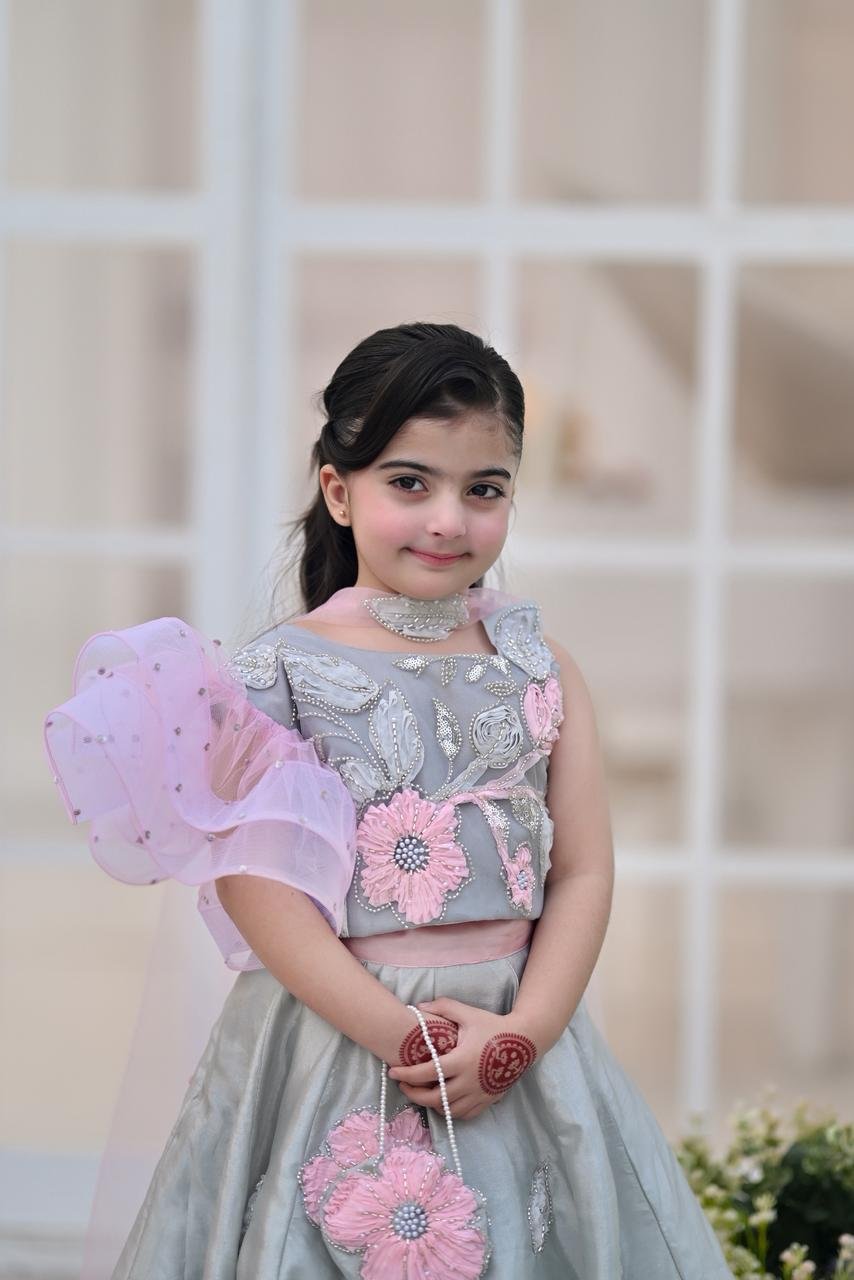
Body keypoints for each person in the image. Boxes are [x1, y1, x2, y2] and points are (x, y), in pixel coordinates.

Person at [44, 321, 732, 1278]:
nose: (449, 520)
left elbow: (582, 869)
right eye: (410, 483)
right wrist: (409, 1038)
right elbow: (261, 896)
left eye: (484, 490)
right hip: (345, 1039)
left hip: (519, 1034)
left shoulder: (542, 666)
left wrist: (525, 1034)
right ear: (339, 491)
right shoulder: (277, 677)